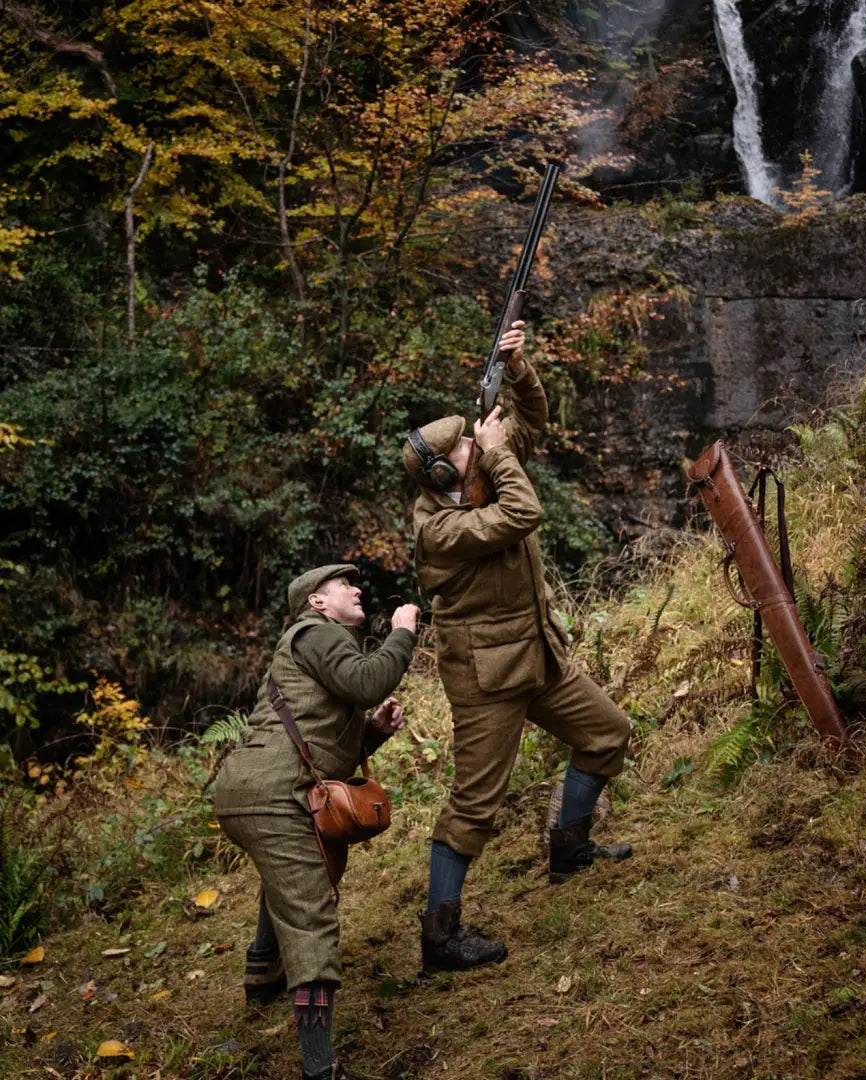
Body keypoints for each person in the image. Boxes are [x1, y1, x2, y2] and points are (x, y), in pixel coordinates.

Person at [402, 321, 632, 973]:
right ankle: (441, 938)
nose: (485, 438)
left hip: (534, 652)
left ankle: (570, 850)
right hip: (485, 678)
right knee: (474, 806)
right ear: (451, 471)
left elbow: (530, 417)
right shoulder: (442, 529)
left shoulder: (478, 475)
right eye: (473, 444)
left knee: (607, 733)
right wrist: (498, 454)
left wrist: (520, 366)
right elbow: (523, 514)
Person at [214, 565, 420, 1080]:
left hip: (254, 787)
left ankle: (262, 976)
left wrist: (370, 734)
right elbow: (370, 679)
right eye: (343, 586)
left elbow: (322, 749)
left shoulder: (315, 648)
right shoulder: (317, 634)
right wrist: (403, 632)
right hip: (273, 794)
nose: (357, 589)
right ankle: (319, 1070)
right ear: (317, 603)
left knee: (293, 875)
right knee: (312, 923)